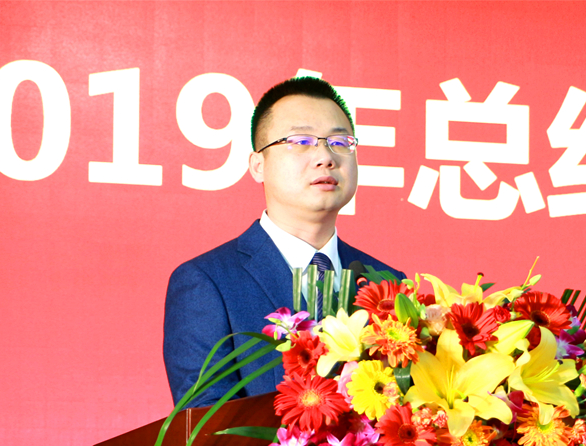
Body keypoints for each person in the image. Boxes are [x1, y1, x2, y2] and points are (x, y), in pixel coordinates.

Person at [163, 77, 405, 407]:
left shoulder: (389, 284)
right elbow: (208, 421)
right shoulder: (208, 282)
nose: (325, 157)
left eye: (339, 142)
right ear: (258, 165)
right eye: (301, 141)